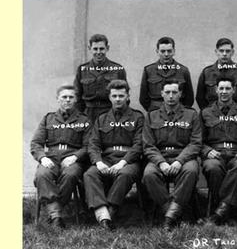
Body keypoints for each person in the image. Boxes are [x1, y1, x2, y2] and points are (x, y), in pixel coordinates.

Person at [84, 80, 144, 231]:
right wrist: (98, 162)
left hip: (129, 160)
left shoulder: (138, 118)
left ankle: (111, 210)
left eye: (121, 95)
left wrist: (123, 162)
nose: (118, 99)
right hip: (106, 159)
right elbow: (93, 144)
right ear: (109, 97)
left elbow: (139, 145)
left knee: (124, 175)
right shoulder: (102, 119)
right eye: (114, 95)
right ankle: (102, 213)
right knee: (90, 174)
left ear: (127, 96)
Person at [142, 80, 202, 230]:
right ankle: (172, 212)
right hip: (160, 157)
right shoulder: (151, 116)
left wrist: (179, 161)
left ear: (180, 94)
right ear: (161, 94)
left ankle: (169, 217)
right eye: (167, 92)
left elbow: (195, 143)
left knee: (191, 171)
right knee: (149, 174)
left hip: (183, 157)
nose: (171, 96)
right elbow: (148, 145)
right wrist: (161, 162)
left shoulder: (191, 115)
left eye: (174, 92)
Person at [30, 85, 91, 228]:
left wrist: (75, 157)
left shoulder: (84, 120)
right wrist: (42, 158)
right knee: (42, 175)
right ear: (58, 99)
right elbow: (36, 143)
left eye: (71, 97)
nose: (67, 100)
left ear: (76, 99)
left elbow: (89, 146)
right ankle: (57, 215)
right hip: (50, 158)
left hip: (72, 159)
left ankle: (54, 212)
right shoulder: (48, 118)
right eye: (64, 97)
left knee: (70, 175)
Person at [200, 77, 237, 224]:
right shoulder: (206, 113)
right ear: (216, 90)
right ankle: (231, 211)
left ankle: (219, 212)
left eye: (228, 89)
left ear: (234, 90)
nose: (224, 92)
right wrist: (206, 150)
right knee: (212, 167)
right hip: (214, 153)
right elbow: (198, 140)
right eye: (221, 88)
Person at [74, 34, 127, 122]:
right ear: (89, 48)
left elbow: (124, 95)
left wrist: (118, 116)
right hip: (88, 114)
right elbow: (77, 96)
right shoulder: (82, 69)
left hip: (110, 113)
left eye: (101, 48)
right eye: (95, 49)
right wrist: (80, 117)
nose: (98, 52)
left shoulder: (117, 69)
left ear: (107, 48)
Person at [139, 36, 194, 111]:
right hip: (156, 112)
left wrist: (182, 111)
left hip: (178, 112)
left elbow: (189, 97)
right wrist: (153, 112)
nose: (166, 54)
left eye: (169, 51)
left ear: (174, 51)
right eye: (162, 51)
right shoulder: (148, 70)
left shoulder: (183, 70)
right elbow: (143, 97)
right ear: (157, 51)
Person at [196, 38, 237, 109]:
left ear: (232, 52)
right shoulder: (207, 72)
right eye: (221, 51)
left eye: (227, 51)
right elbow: (200, 98)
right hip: (212, 115)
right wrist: (208, 113)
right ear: (216, 52)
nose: (224, 54)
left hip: (235, 114)